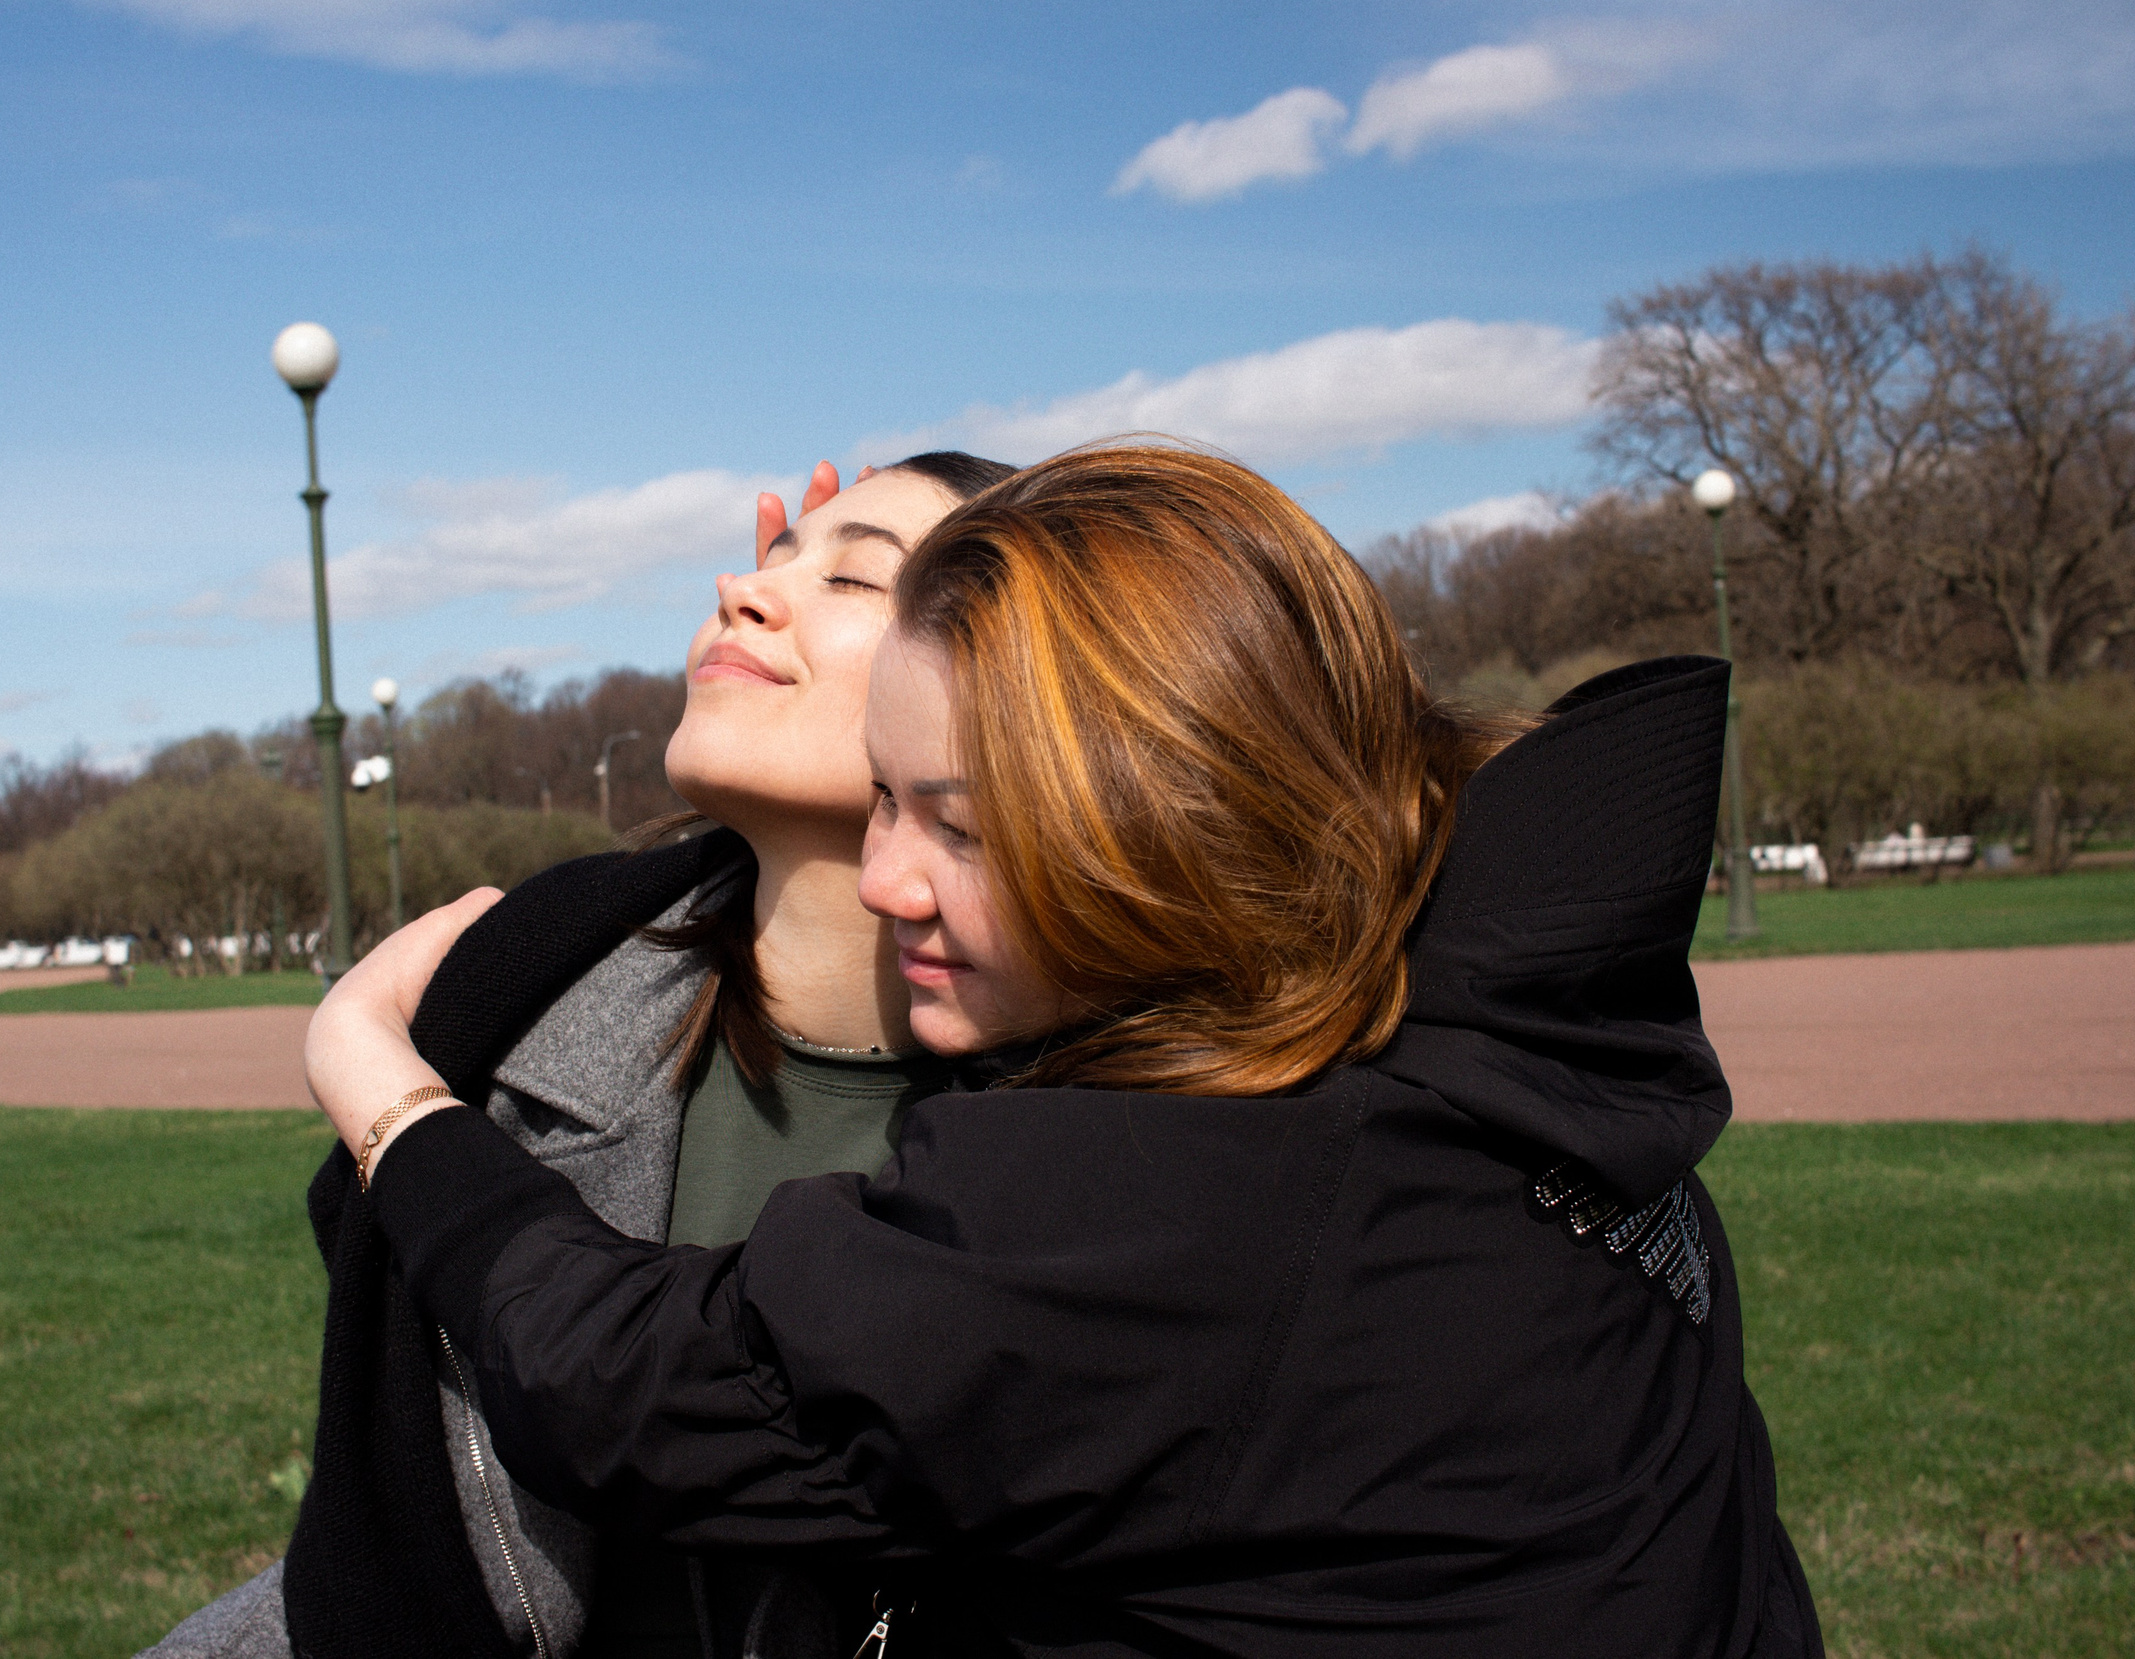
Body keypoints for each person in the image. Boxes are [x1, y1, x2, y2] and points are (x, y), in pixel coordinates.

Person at [312, 444, 1824, 1657]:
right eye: (888, 794)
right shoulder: (1511, 1017)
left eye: (961, 819)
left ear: (1176, 819)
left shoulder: (1193, 1188)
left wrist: (386, 1087)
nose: (902, 872)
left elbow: (634, 1383)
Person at [136, 448, 1019, 1659]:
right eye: (771, 558)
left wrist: (372, 1075)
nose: (740, 588)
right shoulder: (520, 1010)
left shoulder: (1151, 1126)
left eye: (858, 584)